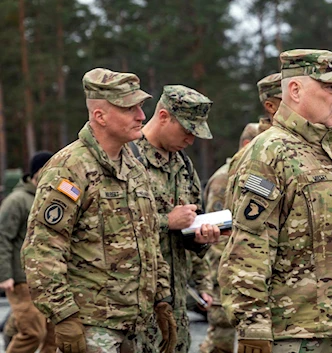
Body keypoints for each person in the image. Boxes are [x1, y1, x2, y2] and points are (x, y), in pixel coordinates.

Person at [218, 49, 332, 353]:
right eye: (330, 87)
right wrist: (253, 329)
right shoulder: (268, 152)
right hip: (300, 335)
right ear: (295, 90)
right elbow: (248, 250)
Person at [21, 68, 176, 353]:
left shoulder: (134, 167)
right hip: (93, 328)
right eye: (129, 108)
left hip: (138, 326)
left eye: (140, 106)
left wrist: (162, 298)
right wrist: (64, 317)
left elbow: (149, 240)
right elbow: (42, 250)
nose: (141, 116)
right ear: (100, 116)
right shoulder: (70, 168)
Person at [133, 85, 221, 353]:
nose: (191, 140)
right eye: (186, 131)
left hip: (177, 307)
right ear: (163, 116)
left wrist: (201, 237)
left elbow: (191, 226)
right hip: (137, 307)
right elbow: (109, 228)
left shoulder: (183, 166)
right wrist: (166, 221)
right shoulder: (129, 159)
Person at [198, 122, 260, 353]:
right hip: (223, 275)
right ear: (246, 145)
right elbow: (215, 233)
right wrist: (217, 280)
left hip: (245, 272)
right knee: (220, 341)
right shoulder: (224, 179)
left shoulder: (253, 177)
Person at [0, 151, 56, 353]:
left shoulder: (51, 198)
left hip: (48, 278)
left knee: (54, 335)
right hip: (21, 279)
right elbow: (2, 237)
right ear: (37, 171)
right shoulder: (17, 201)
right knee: (33, 333)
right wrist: (5, 275)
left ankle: (12, 326)